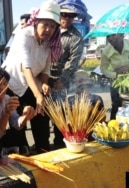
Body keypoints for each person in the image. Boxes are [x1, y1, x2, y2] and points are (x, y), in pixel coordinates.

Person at [2, 0, 62, 154]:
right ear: (37, 22)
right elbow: (25, 68)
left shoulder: (49, 43)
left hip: (31, 83)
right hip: (12, 83)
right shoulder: (23, 35)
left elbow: (45, 69)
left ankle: (43, 150)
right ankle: (24, 153)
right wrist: (38, 95)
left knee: (41, 118)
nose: (48, 29)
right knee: (19, 122)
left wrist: (43, 84)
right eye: (45, 24)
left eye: (52, 26)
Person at [0, 66, 35, 157]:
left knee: (16, 135)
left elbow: (16, 124)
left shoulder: (6, 99)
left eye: (5, 83)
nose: (3, 88)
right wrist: (6, 113)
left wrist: (25, 116)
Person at [49, 5, 84, 148]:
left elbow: (73, 62)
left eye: (72, 16)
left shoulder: (75, 36)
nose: (67, 18)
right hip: (41, 75)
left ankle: (59, 143)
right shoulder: (50, 28)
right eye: (64, 14)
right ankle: (41, 145)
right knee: (41, 113)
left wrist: (62, 80)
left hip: (60, 78)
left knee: (59, 113)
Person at [100, 34, 129, 119]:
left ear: (122, 35)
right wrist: (115, 74)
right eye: (108, 36)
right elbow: (103, 69)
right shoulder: (106, 51)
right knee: (118, 109)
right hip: (119, 83)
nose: (110, 38)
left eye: (113, 35)